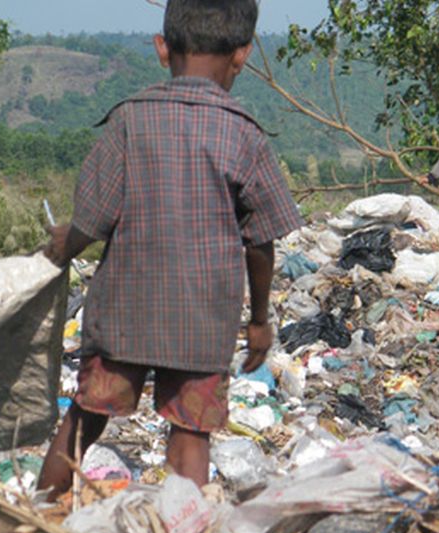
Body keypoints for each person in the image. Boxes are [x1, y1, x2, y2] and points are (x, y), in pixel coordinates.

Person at [37, 0, 303, 501]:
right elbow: (261, 241)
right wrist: (260, 320)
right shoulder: (245, 134)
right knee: (190, 435)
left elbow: (91, 223)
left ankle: (32, 520)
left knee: (84, 420)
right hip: (201, 324)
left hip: (124, 316)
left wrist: (60, 245)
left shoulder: (128, 122)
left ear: (162, 48)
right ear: (242, 54)